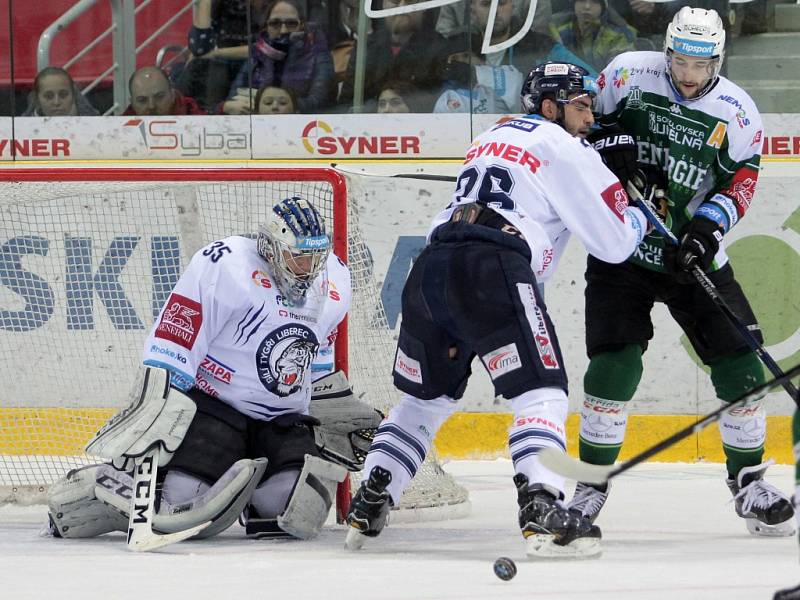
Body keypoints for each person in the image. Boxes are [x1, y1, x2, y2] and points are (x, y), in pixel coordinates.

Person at [344, 62, 652, 559]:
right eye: (581, 105)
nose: (591, 116)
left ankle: (372, 498)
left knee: (425, 401)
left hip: (430, 269)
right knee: (542, 391)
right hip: (493, 268)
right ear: (550, 107)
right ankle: (542, 507)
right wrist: (638, 205)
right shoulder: (564, 146)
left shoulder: (491, 136)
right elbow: (615, 244)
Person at [566, 7, 796, 539]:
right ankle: (589, 487)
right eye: (680, 60)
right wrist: (614, 152)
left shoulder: (738, 112)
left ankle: (749, 484)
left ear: (719, 58)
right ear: (665, 51)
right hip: (622, 247)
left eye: (701, 63)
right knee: (613, 364)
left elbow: (739, 183)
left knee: (742, 363)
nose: (689, 74)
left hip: (689, 256)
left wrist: (706, 230)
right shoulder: (626, 74)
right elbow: (581, 126)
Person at [44, 197, 382, 543]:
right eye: (299, 256)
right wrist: (159, 408)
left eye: (315, 257)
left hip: (284, 418)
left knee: (291, 512)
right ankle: (106, 485)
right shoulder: (225, 265)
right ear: (271, 247)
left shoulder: (336, 278)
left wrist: (332, 408)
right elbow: (176, 343)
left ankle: (248, 494)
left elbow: (318, 352)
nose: (308, 268)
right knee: (182, 502)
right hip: (218, 409)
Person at [222, 0, 334, 114]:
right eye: (275, 23)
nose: (283, 30)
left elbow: (320, 101)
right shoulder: (258, 52)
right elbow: (232, 98)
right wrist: (225, 106)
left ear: (301, 26)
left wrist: (277, 104)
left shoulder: (317, 52)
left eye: (291, 23)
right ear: (266, 26)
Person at [338, 0, 451, 112]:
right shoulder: (365, 48)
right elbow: (347, 103)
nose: (402, 6)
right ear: (382, 5)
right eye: (395, 1)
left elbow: (442, 104)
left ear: (424, 7)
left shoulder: (439, 47)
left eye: (410, 1)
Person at [175, 0, 267, 111]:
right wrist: (205, 3)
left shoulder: (263, 5)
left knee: (216, 67)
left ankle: (212, 113)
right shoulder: (220, 5)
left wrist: (216, 53)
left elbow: (264, 48)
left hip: (253, 65)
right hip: (220, 65)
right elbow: (199, 48)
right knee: (194, 66)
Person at [549, 0, 637, 73]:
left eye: (595, 1)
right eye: (582, 0)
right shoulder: (557, 28)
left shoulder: (618, 35)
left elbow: (620, 72)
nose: (587, 6)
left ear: (603, 7)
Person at [124, 66, 206, 115]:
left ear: (173, 95)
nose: (151, 106)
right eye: (142, 100)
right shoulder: (122, 125)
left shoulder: (195, 116)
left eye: (159, 97)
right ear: (132, 103)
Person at [22, 66, 99, 117]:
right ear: (37, 99)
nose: (56, 102)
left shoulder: (95, 125)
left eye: (63, 95)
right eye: (49, 96)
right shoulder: (20, 130)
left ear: (73, 95)